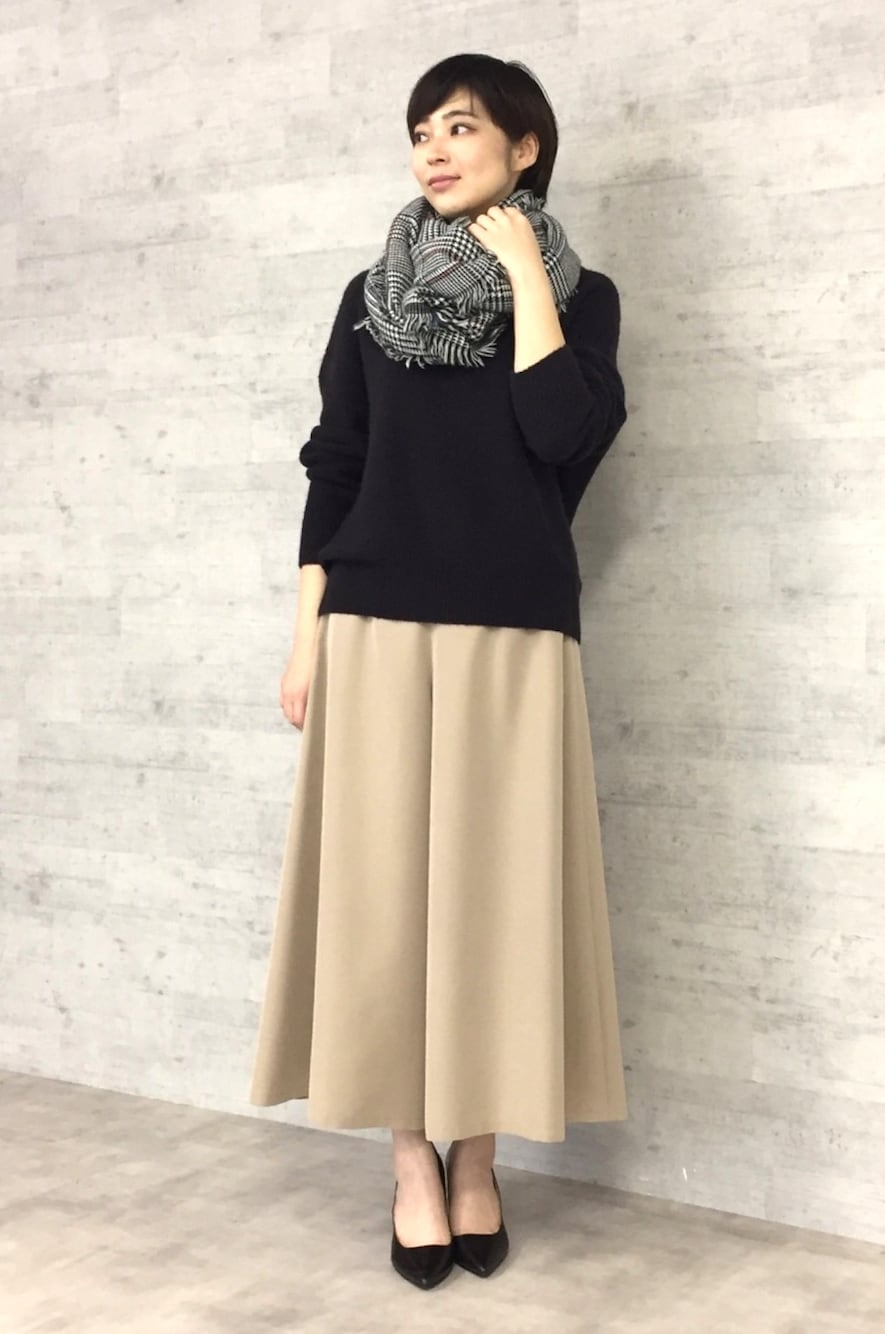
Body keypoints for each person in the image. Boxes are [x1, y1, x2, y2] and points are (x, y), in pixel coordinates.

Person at [248, 52, 630, 1290]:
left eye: (459, 126)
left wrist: (524, 278)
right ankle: (412, 1161)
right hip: (373, 622)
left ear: (526, 147)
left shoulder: (583, 297)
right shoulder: (370, 300)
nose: (432, 148)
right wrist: (306, 633)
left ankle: (479, 1157)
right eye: (420, 130)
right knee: (387, 903)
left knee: (494, 903)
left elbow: (562, 438)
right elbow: (337, 462)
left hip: (514, 629)